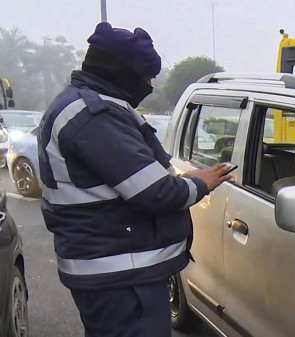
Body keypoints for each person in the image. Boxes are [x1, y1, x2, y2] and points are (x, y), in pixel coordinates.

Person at [37, 22, 231, 337]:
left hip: (114, 271)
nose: (149, 85)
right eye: (145, 77)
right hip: (120, 277)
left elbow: (135, 174)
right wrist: (200, 183)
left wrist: (183, 177)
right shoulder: (92, 114)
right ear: (119, 71)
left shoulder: (88, 104)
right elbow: (155, 193)